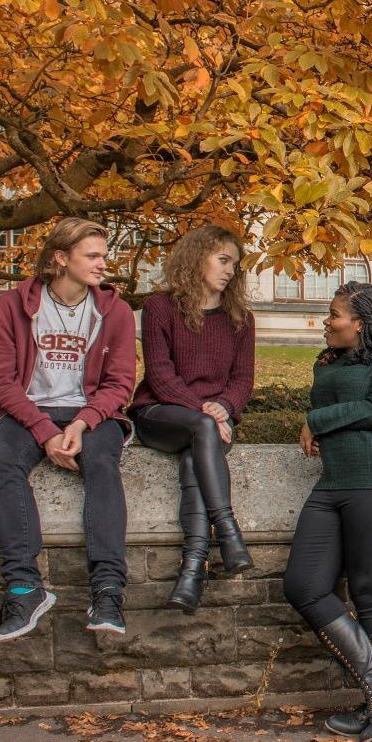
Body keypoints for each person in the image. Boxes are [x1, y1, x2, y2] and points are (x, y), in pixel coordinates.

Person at [0, 217, 136, 642]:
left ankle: (107, 591)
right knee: (2, 462)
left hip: (91, 413)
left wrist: (83, 423)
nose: (103, 263)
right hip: (29, 411)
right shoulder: (14, 305)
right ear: (60, 258)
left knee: (102, 462)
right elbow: (2, 381)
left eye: (104, 255)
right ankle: (24, 588)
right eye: (92, 256)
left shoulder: (115, 311)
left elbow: (120, 383)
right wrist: (44, 430)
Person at [283, 281, 372, 742]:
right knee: (303, 585)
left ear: (359, 323)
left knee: (368, 590)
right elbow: (340, 405)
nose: (326, 321)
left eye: (333, 314)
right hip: (334, 481)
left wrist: (315, 421)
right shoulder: (328, 361)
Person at [130, 225, 257, 614]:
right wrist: (205, 410)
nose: (230, 271)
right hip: (159, 413)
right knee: (201, 432)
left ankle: (191, 571)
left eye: (234, 265)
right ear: (196, 257)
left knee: (194, 457)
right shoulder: (159, 308)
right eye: (223, 260)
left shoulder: (241, 319)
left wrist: (225, 406)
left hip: (213, 420)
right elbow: (161, 376)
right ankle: (228, 530)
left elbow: (243, 381)